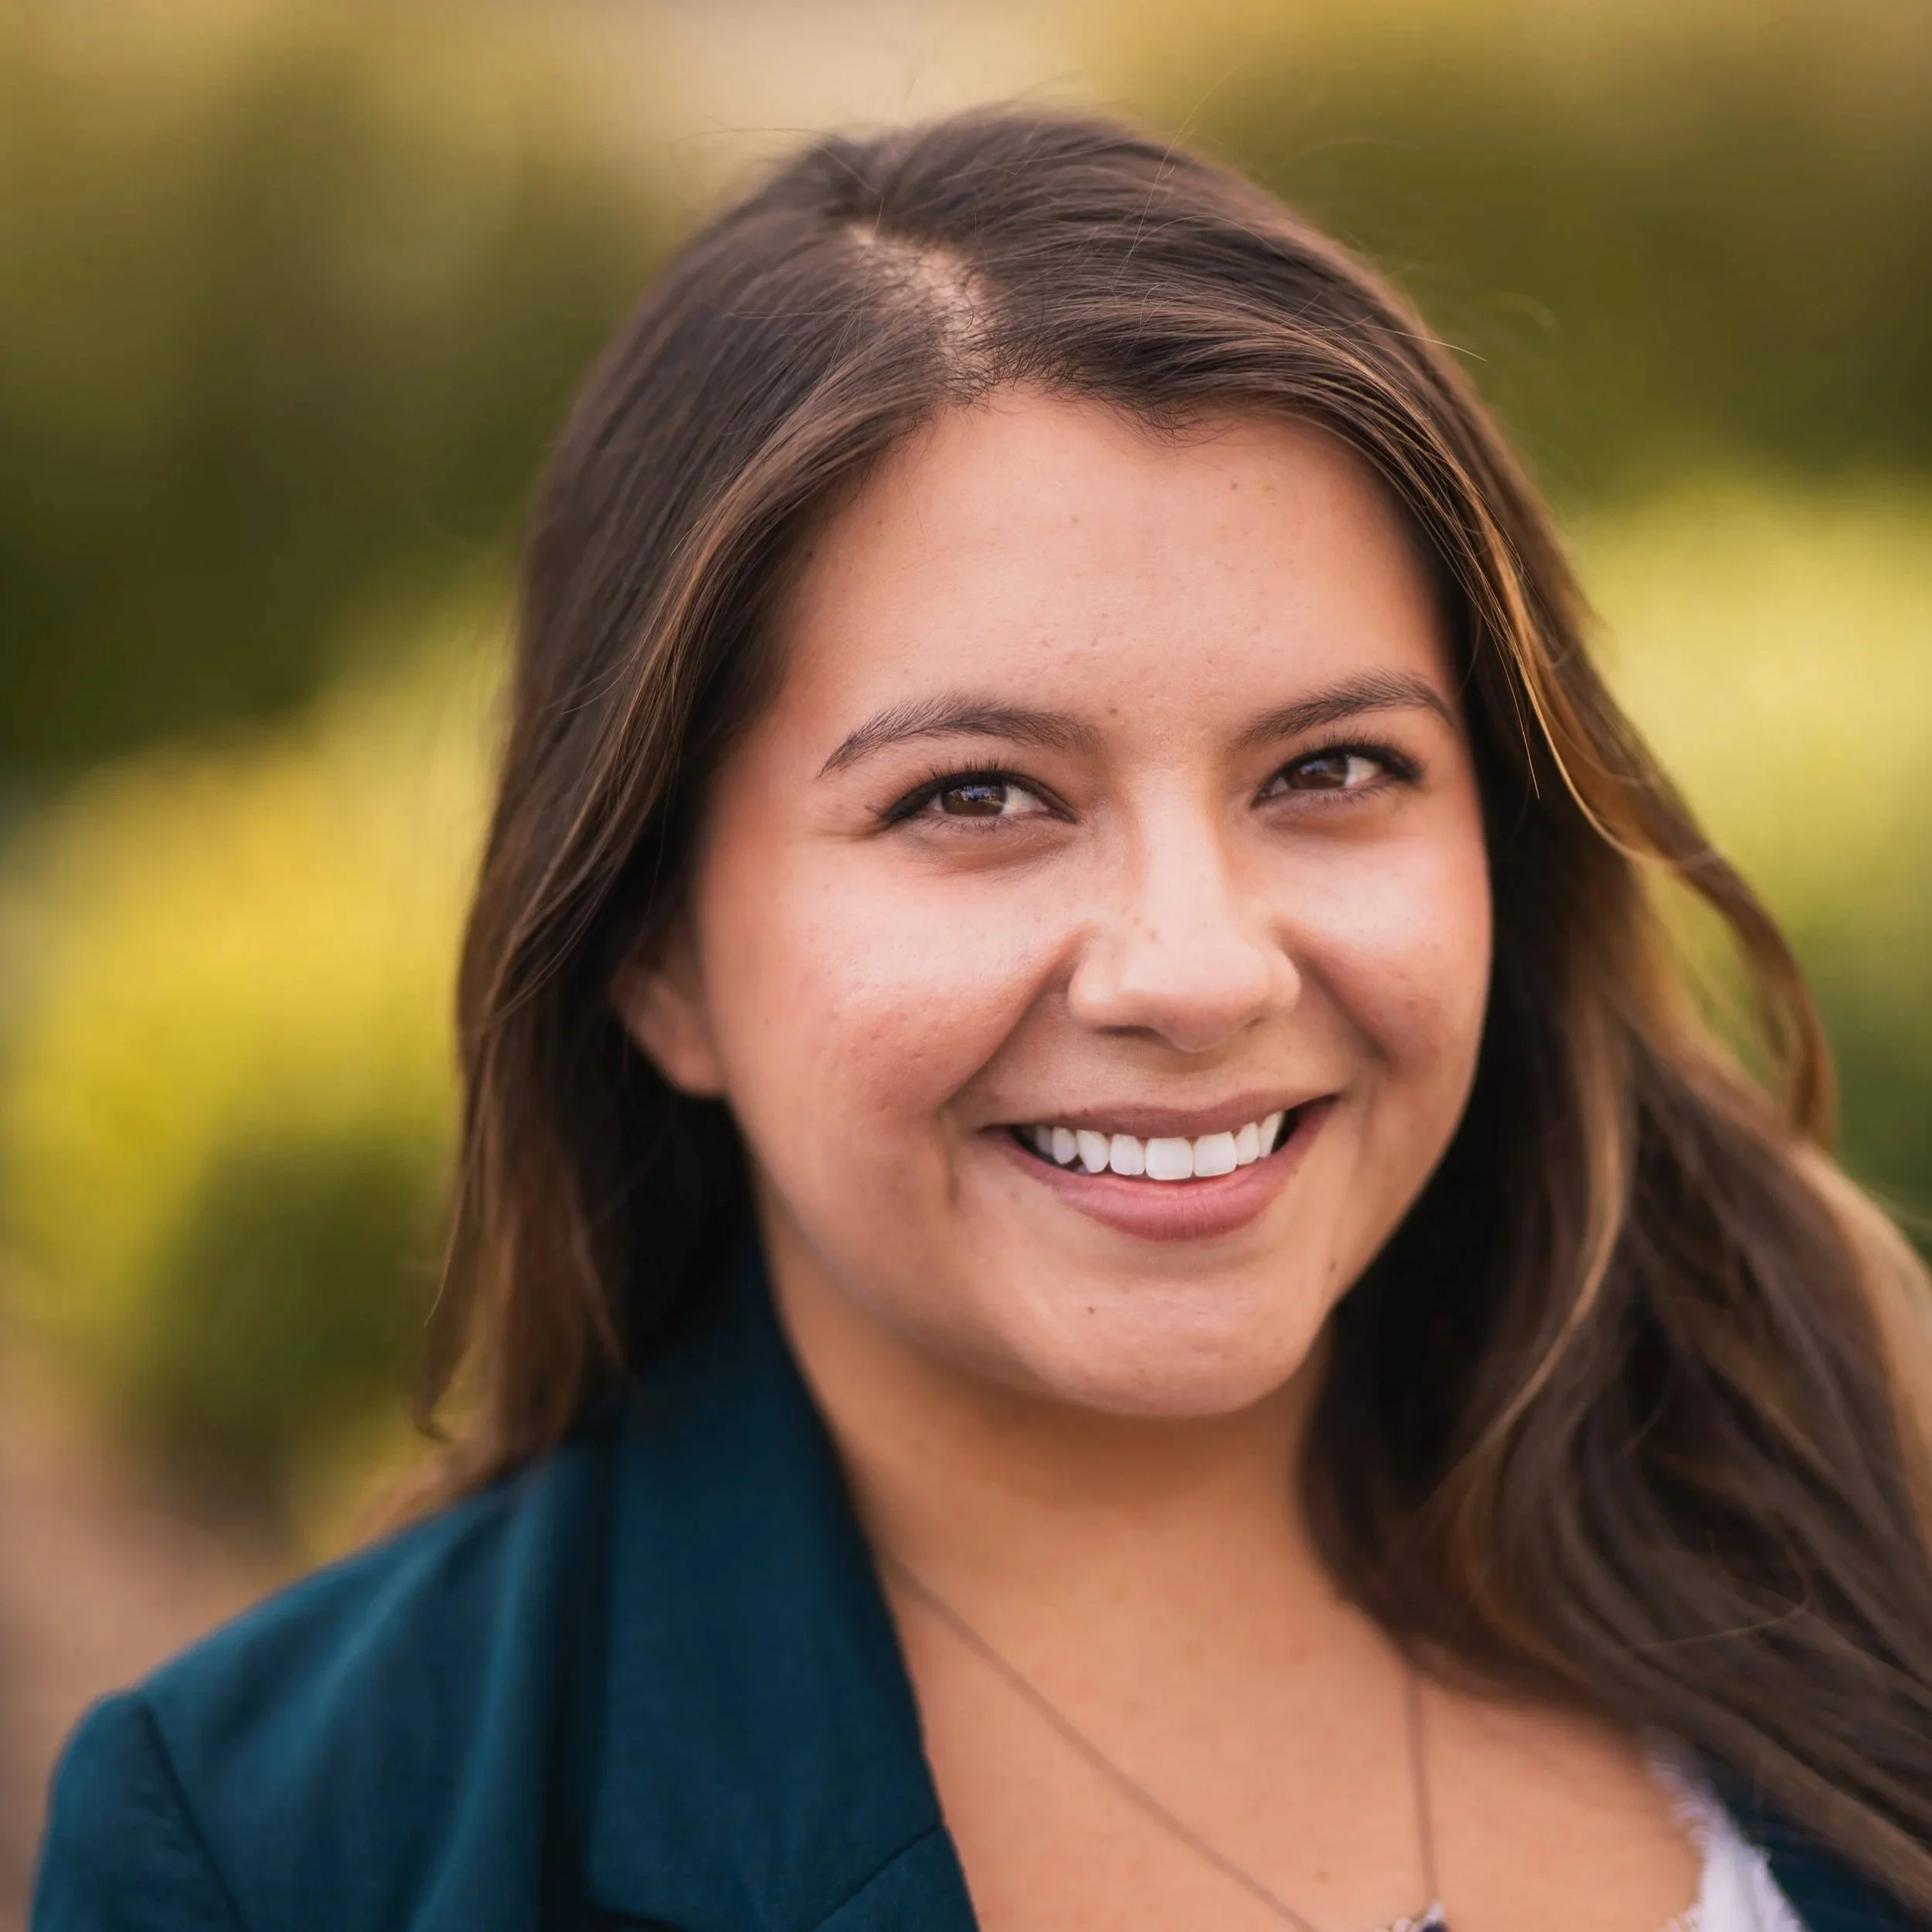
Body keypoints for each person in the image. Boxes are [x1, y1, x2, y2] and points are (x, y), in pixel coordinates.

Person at [32, 107, 1932, 1932]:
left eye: (1332, 766)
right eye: (974, 795)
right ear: (655, 953)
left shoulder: (1877, 1532)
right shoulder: (286, 1850)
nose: (1194, 968)